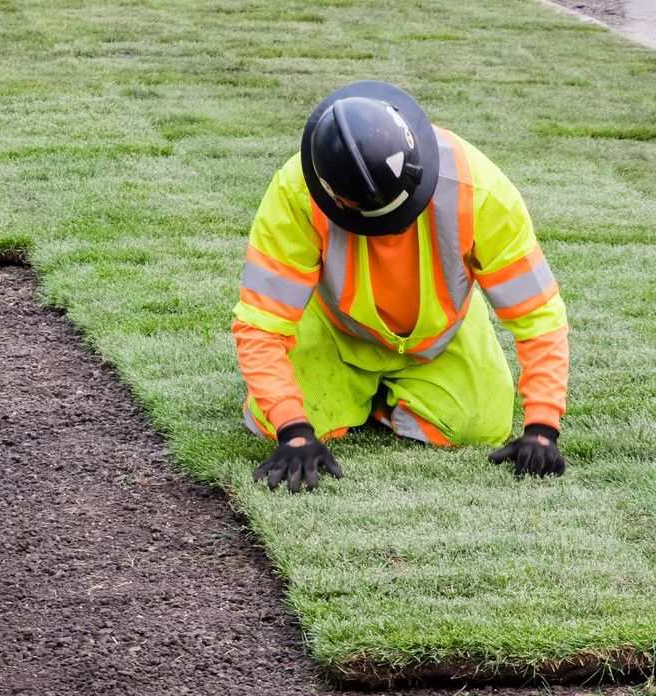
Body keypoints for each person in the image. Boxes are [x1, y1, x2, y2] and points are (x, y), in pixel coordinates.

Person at [233, 81, 569, 491]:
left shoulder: (480, 191)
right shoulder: (295, 193)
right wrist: (292, 428)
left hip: (439, 338)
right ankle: (365, 393)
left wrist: (542, 425)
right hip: (336, 333)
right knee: (272, 419)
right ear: (335, 198)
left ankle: (378, 401)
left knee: (478, 426)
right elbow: (262, 324)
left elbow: (538, 315)